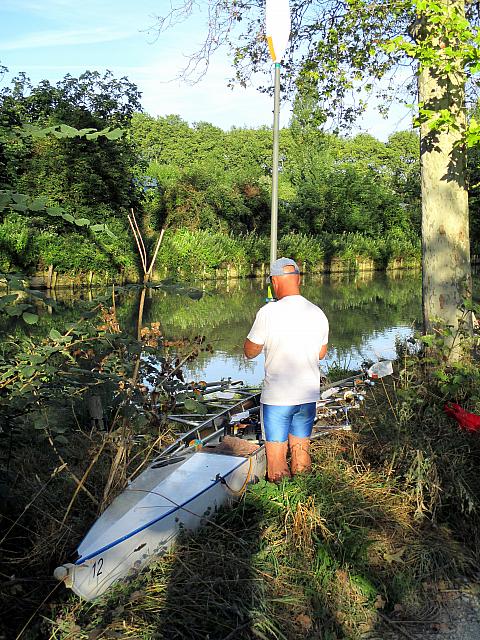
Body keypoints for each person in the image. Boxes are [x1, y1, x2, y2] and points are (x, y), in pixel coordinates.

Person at [244, 257, 329, 482]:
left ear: (274, 282)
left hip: (278, 399)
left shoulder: (268, 312)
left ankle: (283, 506)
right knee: (301, 453)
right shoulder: (317, 312)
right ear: (298, 279)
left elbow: (250, 351)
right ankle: (304, 497)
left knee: (277, 462)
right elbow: (321, 354)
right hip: (308, 396)